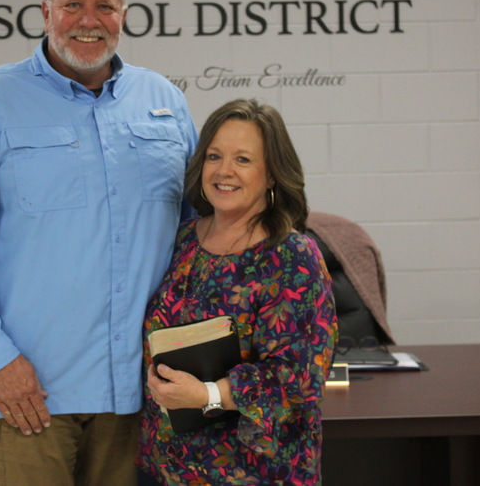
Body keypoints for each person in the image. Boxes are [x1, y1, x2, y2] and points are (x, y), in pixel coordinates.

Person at [0, 0, 198, 486]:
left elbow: (195, 240)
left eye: (105, 6)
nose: (88, 21)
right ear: (46, 13)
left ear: (123, 16)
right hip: (26, 399)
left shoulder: (163, 102)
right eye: (72, 5)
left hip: (139, 399)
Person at [137, 98, 337, 486]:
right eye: (214, 156)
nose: (224, 171)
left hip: (255, 470)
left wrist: (207, 395)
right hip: (163, 466)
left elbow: (299, 378)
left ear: (272, 174)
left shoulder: (292, 257)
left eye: (243, 159)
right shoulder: (179, 241)